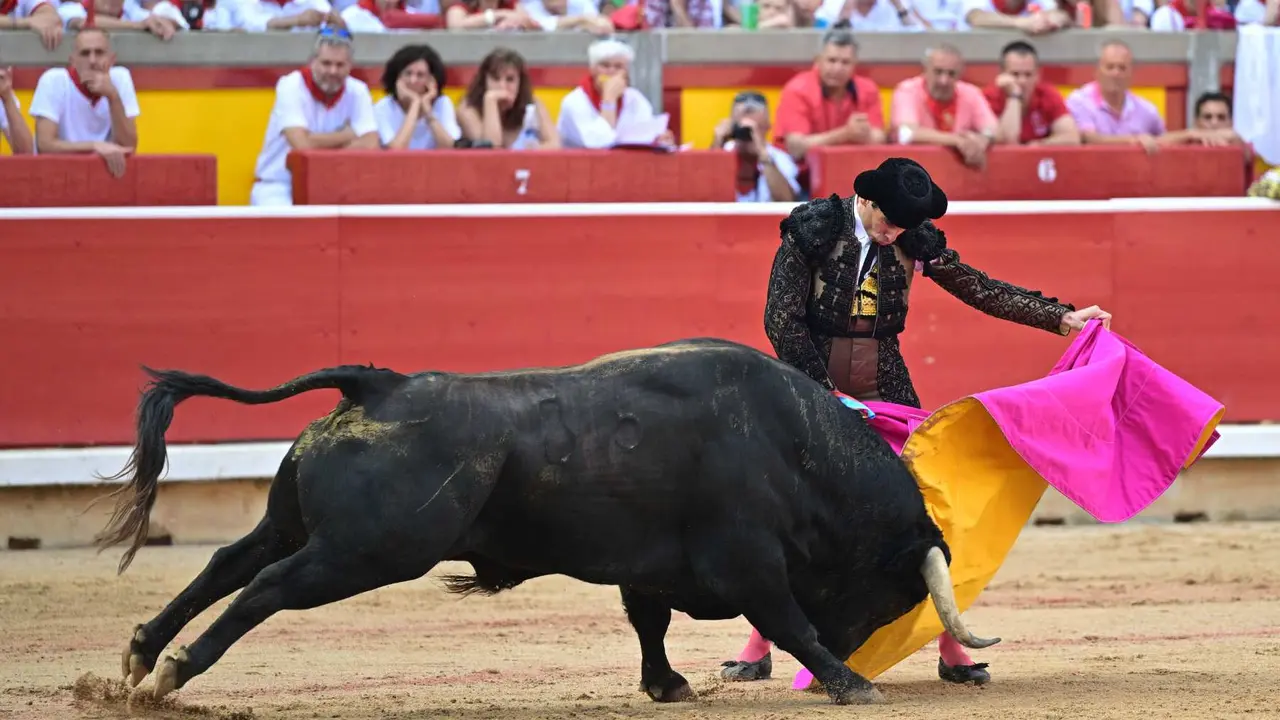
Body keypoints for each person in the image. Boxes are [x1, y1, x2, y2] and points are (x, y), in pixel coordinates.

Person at [720, 157, 1112, 688]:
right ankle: (759, 643)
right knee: (789, 510)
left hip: (885, 379)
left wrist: (1060, 317)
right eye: (891, 223)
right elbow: (781, 319)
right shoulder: (813, 229)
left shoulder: (911, 237)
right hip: (808, 383)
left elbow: (977, 287)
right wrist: (823, 393)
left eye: (905, 226)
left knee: (923, 506)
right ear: (868, 202)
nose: (896, 234)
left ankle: (950, 644)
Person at [375, 43, 461, 151]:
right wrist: (415, 104)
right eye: (408, 73)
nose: (413, 80)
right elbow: (396, 151)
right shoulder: (383, 107)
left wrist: (428, 112)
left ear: (432, 80)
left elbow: (451, 149)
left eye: (420, 75)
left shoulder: (442, 103)